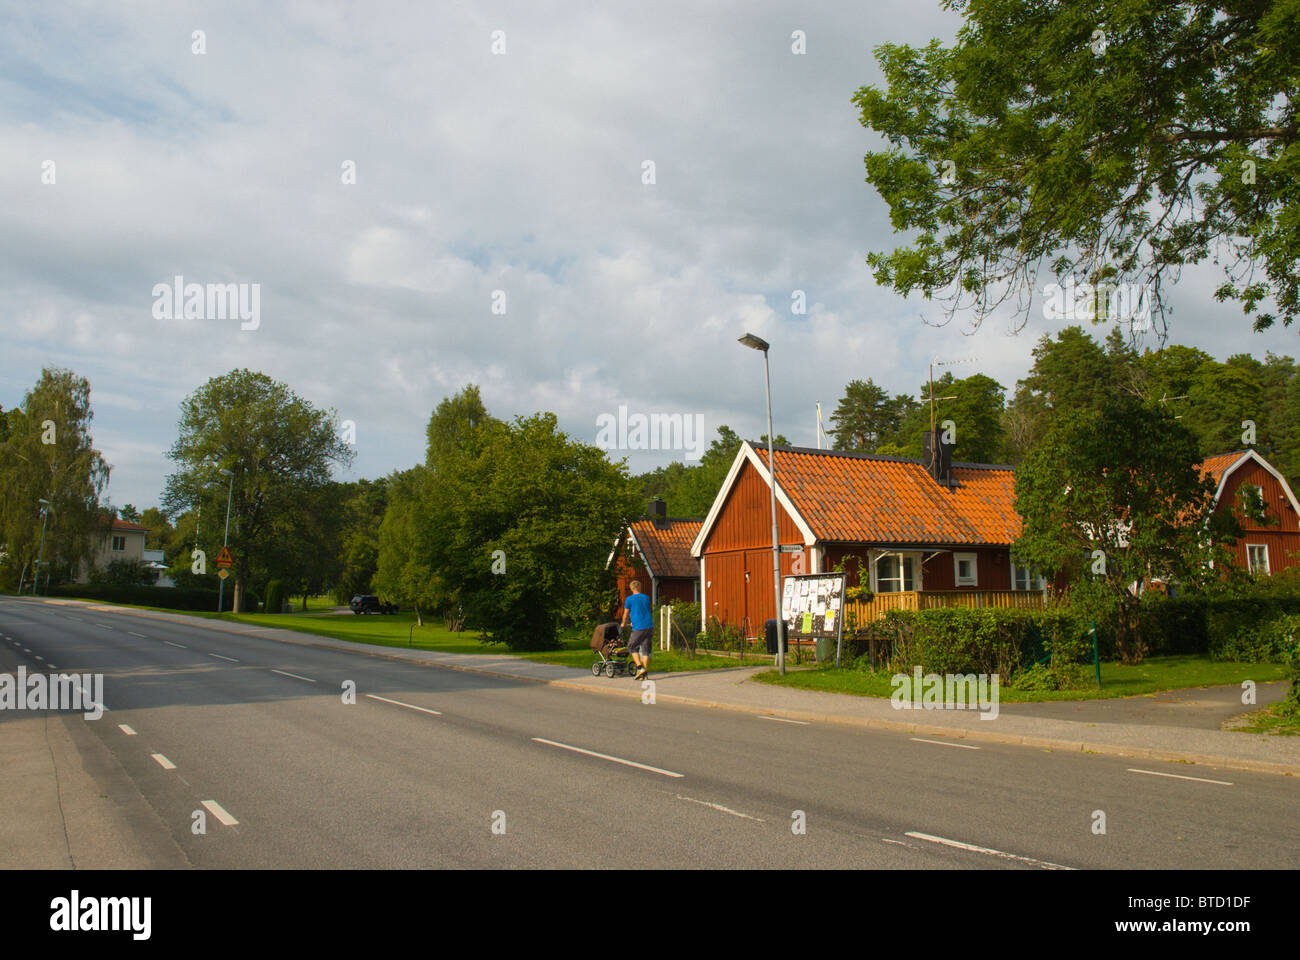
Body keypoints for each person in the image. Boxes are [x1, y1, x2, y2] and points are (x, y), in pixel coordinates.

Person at [620, 580, 653, 679]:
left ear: (631, 588)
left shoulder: (629, 599)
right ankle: (645, 672)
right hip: (649, 626)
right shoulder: (646, 597)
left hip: (638, 627)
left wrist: (623, 623)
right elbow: (645, 610)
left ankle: (639, 668)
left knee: (631, 647)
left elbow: (626, 614)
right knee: (646, 650)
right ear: (639, 587)